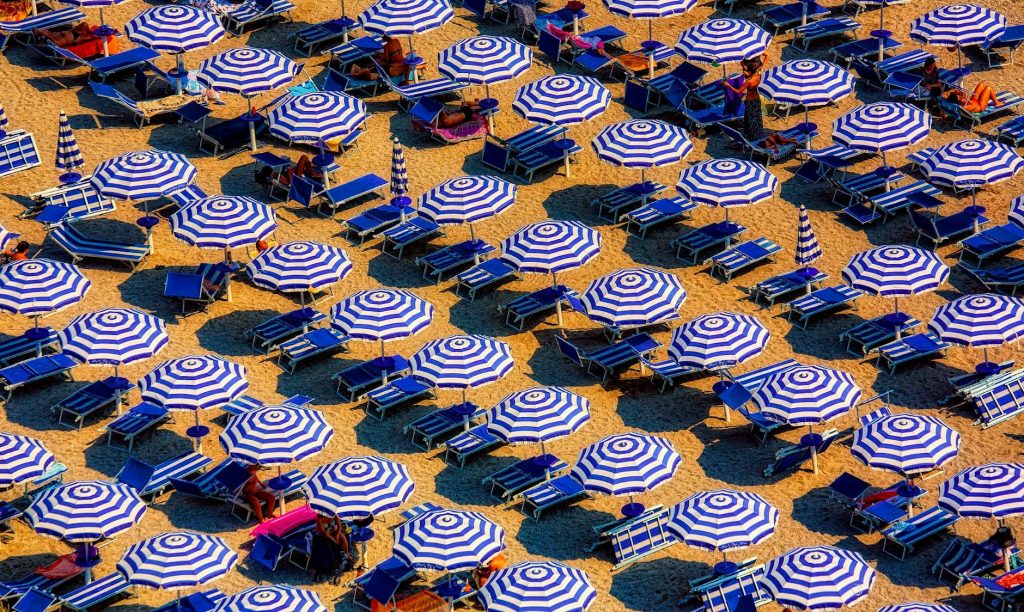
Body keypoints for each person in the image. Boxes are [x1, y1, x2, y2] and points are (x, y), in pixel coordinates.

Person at [724, 53, 768, 142]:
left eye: (745, 70)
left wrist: (728, 85)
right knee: (757, 118)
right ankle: (758, 134)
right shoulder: (759, 76)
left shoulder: (749, 82)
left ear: (750, 71)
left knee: (750, 119)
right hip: (757, 100)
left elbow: (738, 91)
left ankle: (752, 136)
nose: (743, 72)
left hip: (750, 102)